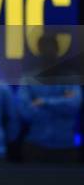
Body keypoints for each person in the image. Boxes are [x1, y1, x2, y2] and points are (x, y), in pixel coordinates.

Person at [17, 34, 82, 163]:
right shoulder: (28, 79)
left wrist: (44, 102)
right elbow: (25, 112)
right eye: (44, 49)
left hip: (66, 146)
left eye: (51, 49)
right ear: (39, 52)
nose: (48, 53)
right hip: (35, 146)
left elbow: (74, 105)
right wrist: (62, 101)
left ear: (58, 51)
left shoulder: (70, 79)